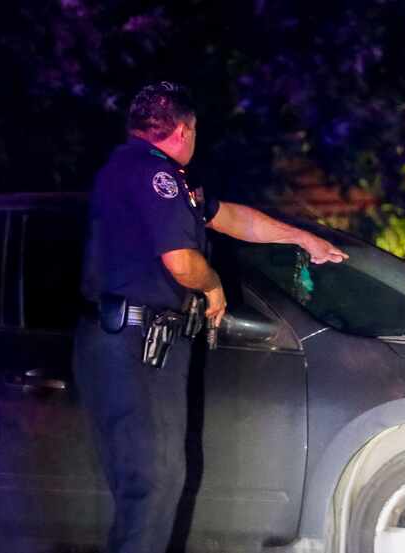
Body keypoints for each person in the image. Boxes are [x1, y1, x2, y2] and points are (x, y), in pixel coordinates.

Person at [72, 81, 347, 553]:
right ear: (183, 130)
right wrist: (214, 284)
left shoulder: (146, 175)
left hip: (133, 342)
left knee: (150, 484)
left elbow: (230, 218)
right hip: (135, 343)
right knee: (152, 483)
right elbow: (181, 262)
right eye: (195, 131)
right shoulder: (154, 176)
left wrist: (302, 238)